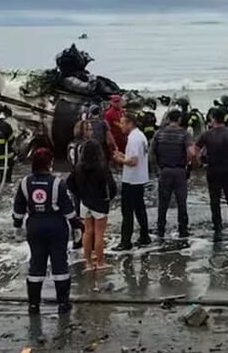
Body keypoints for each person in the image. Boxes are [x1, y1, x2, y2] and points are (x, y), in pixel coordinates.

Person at [12, 148, 76, 314]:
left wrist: (17, 226)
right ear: (49, 163)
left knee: (36, 264)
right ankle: (63, 304)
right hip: (56, 226)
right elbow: (68, 209)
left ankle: (34, 305)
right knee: (60, 263)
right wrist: (76, 225)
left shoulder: (24, 183)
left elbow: (18, 207)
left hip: (34, 226)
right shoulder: (58, 183)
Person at [194, 108, 228, 240]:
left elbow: (194, 150)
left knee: (215, 199)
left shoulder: (207, 134)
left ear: (213, 119)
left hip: (213, 170)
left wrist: (200, 163)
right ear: (224, 119)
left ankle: (217, 225)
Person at [68, 140, 118, 272]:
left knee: (87, 232)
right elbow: (112, 186)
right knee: (99, 234)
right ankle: (100, 262)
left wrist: (79, 194)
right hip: (100, 204)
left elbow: (69, 182)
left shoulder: (79, 167)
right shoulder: (102, 167)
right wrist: (109, 198)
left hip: (85, 203)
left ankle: (88, 263)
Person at [151, 110, 192, 238]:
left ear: (168, 119)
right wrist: (189, 167)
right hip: (180, 171)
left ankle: (161, 228)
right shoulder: (184, 134)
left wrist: (157, 171)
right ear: (179, 119)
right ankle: (183, 230)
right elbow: (191, 153)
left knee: (163, 203)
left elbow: (151, 154)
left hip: (164, 171)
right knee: (181, 202)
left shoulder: (159, 133)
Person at [113, 113, 150, 251]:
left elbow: (133, 161)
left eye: (123, 123)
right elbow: (136, 157)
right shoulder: (140, 136)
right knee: (140, 209)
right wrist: (123, 156)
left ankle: (125, 241)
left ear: (130, 124)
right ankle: (145, 236)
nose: (121, 126)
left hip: (131, 180)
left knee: (127, 212)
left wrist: (120, 160)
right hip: (140, 179)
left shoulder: (133, 138)